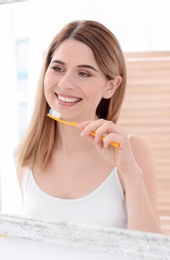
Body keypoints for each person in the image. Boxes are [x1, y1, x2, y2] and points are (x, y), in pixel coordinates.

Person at [15, 20, 161, 233]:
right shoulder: (24, 155)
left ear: (111, 86)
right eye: (57, 68)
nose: (65, 83)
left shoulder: (133, 151)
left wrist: (130, 173)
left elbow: (153, 252)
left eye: (84, 73)